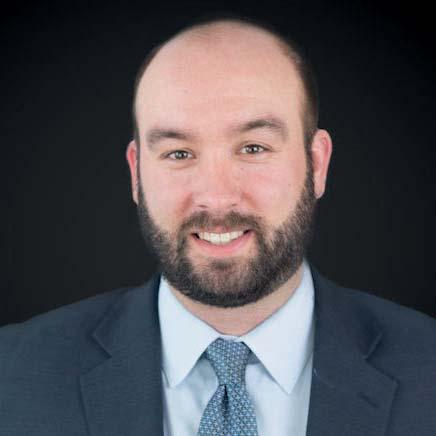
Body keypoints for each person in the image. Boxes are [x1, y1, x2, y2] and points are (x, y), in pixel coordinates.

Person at [1, 15, 435, 436]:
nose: (216, 197)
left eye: (253, 148)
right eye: (178, 154)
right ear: (136, 173)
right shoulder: (12, 375)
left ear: (317, 164)